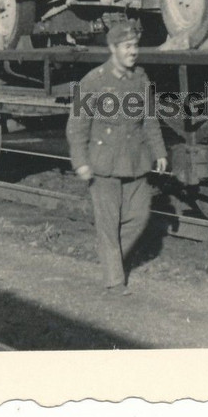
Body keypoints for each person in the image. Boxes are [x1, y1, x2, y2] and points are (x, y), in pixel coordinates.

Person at [66, 21, 168, 294]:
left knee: (140, 216)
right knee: (108, 225)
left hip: (136, 160)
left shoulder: (140, 79)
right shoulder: (94, 81)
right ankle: (114, 280)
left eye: (135, 46)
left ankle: (112, 260)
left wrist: (159, 152)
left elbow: (149, 120)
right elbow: (77, 125)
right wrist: (81, 162)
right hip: (104, 162)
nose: (133, 51)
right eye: (127, 47)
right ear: (113, 49)